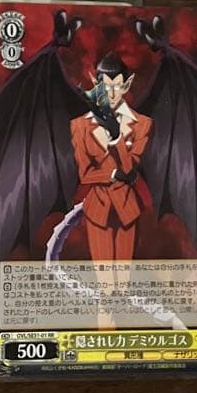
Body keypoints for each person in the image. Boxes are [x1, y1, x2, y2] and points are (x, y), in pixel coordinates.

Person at [70, 52, 152, 261]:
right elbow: (85, 174)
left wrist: (116, 137)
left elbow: (130, 169)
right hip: (98, 209)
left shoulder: (142, 124)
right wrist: (113, 174)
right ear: (95, 84)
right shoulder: (80, 125)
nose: (112, 93)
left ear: (127, 84)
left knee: (124, 275)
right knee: (103, 275)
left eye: (117, 86)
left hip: (128, 209)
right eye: (106, 87)